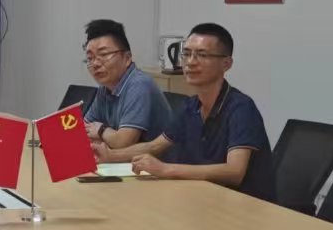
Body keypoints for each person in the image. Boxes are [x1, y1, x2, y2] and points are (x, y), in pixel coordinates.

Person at [99, 23, 275, 200]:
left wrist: (165, 169)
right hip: (203, 197)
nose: (190, 62)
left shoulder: (241, 108)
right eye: (186, 54)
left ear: (226, 64)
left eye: (202, 55)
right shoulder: (190, 106)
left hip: (243, 204)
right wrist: (110, 156)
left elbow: (234, 171)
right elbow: (155, 146)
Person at [78, 18, 173, 150]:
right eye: (90, 58)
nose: (95, 64)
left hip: (160, 161)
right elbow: (84, 130)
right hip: (123, 160)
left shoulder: (139, 85)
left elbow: (123, 143)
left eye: (103, 54)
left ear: (127, 58)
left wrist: (101, 130)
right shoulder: (104, 89)